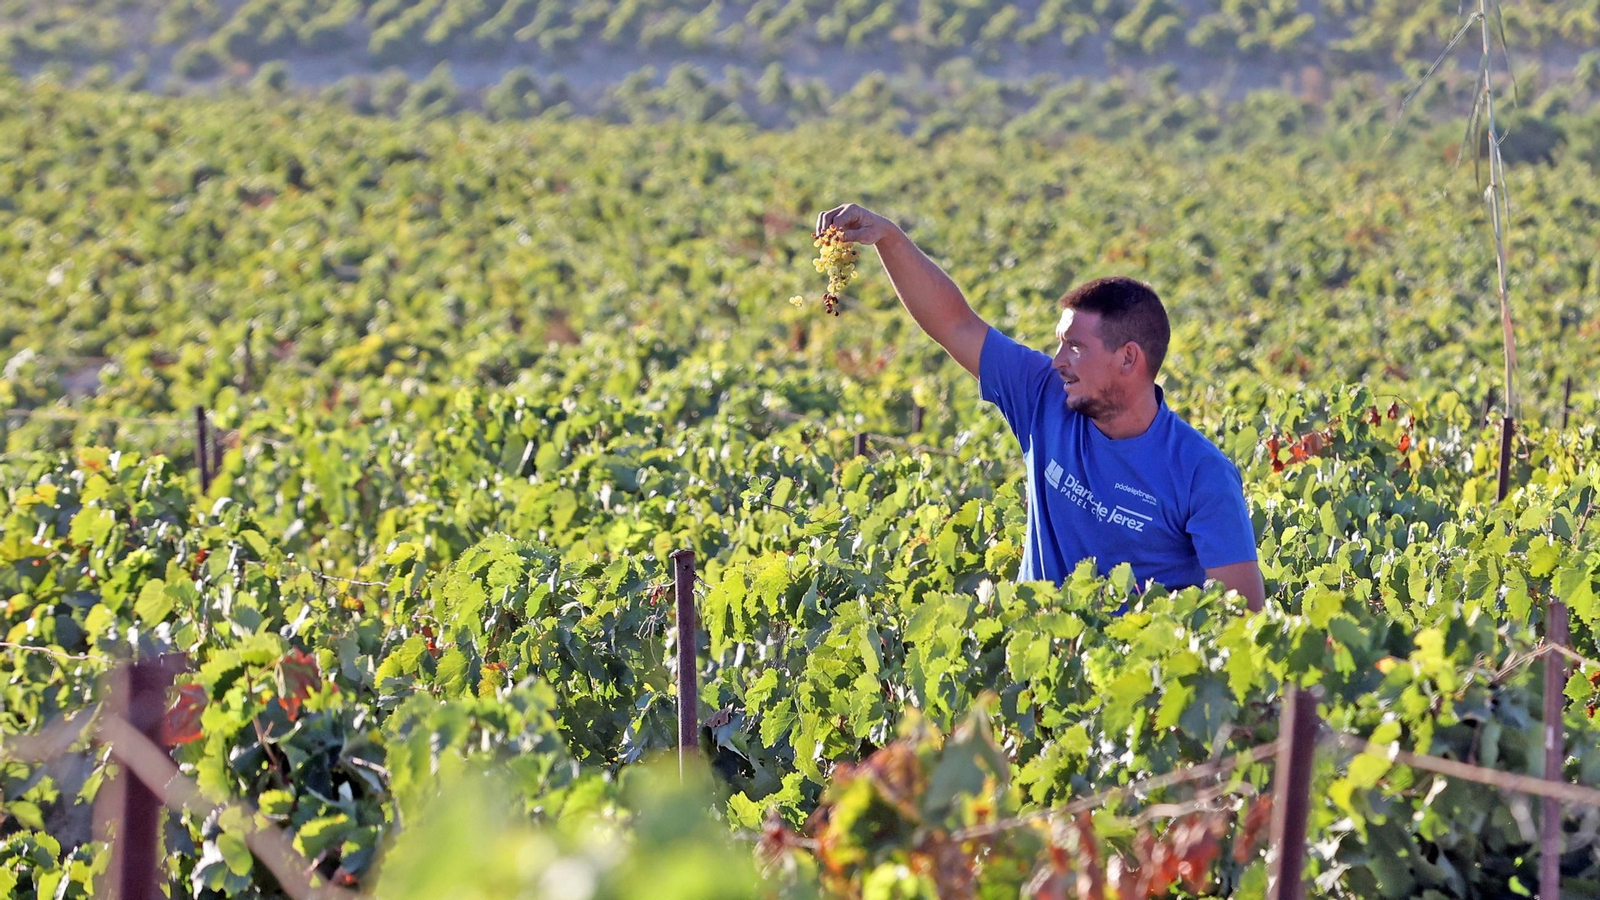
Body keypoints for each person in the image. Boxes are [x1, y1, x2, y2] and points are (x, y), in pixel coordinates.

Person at [815, 203, 1265, 612]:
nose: (1058, 361)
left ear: (1128, 358)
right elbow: (954, 323)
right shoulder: (1044, 397)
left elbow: (1240, 615)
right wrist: (888, 237)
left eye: (1075, 347)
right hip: (1037, 663)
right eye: (1059, 344)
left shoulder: (1202, 473)